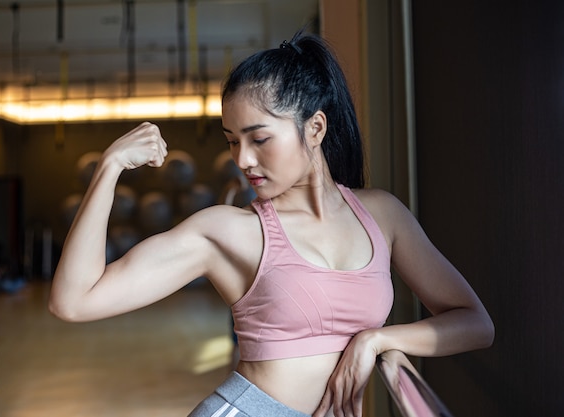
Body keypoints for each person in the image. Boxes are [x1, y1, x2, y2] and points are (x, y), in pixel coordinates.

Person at [49, 30, 494, 417]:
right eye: (232, 141)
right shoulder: (228, 231)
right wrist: (109, 168)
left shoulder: (381, 214)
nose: (242, 159)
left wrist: (376, 341)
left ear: (315, 128)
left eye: (259, 139)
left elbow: (475, 323)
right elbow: (73, 301)